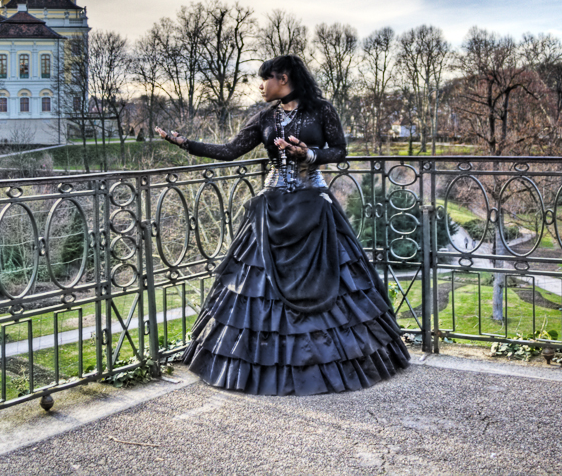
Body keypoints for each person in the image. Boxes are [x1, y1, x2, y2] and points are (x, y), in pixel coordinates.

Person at [155, 55, 410, 395]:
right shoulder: (264, 118)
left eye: (265, 79)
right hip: (272, 208)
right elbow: (230, 151)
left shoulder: (321, 110)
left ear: (283, 78)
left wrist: (309, 155)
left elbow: (340, 151)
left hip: (314, 205)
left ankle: (326, 366)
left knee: (336, 277)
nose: (260, 86)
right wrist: (185, 143)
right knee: (258, 287)